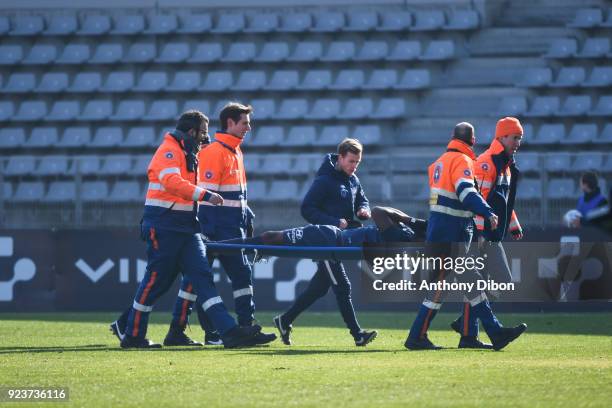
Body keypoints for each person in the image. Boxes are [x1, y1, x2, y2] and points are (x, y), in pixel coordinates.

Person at [115, 110, 268, 349]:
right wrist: (205, 195)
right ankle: (132, 334)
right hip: (163, 226)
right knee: (156, 281)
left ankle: (229, 332)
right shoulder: (169, 151)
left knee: (202, 279)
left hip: (187, 228)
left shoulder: (189, 153)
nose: (205, 140)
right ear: (191, 132)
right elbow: (172, 183)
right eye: (202, 134)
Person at [404, 122, 527, 351]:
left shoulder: (438, 163)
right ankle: (492, 332)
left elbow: (437, 201)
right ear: (472, 141)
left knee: (449, 289)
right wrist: (486, 211)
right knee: (467, 284)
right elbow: (466, 192)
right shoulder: (462, 161)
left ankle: (423, 336)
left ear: (452, 137)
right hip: (454, 234)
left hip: (440, 233)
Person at [171, 102, 276, 345]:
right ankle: (186, 330)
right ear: (230, 122)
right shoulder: (215, 152)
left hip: (232, 230)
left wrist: (246, 218)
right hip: (214, 231)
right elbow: (207, 198)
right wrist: (206, 233)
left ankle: (246, 328)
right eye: (245, 123)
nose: (248, 128)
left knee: (241, 276)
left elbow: (236, 195)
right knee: (196, 282)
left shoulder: (235, 151)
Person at [271, 139, 377, 346]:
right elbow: (307, 209)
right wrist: (334, 222)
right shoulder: (324, 181)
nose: (354, 166)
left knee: (319, 288)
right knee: (343, 287)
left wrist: (364, 210)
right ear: (340, 158)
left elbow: (362, 199)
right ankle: (358, 335)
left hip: (340, 243)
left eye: (358, 162)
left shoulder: (353, 179)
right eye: (351, 161)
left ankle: (285, 320)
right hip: (325, 242)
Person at [450, 117, 525, 349]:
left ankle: (465, 324)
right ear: (502, 137)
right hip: (481, 234)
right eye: (515, 138)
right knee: (476, 284)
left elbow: (501, 203)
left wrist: (513, 224)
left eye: (519, 138)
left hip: (491, 234)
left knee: (498, 281)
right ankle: (467, 333)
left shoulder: (504, 164)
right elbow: (478, 201)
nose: (518, 143)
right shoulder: (487, 163)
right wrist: (480, 233)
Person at [217, 205, 427, 249]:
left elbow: (378, 211)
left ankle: (218, 246)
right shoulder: (406, 237)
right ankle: (220, 246)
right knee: (271, 238)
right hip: (336, 238)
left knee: (272, 237)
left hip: (332, 238)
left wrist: (412, 221)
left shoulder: (401, 239)